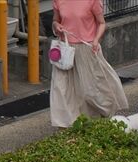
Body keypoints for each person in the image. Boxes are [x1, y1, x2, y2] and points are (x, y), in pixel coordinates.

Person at [49, 0, 128, 129]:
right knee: (62, 89)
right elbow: (55, 21)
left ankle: (101, 115)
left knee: (90, 90)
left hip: (87, 49)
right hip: (65, 50)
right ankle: (66, 124)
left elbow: (101, 23)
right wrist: (56, 26)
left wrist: (96, 40)